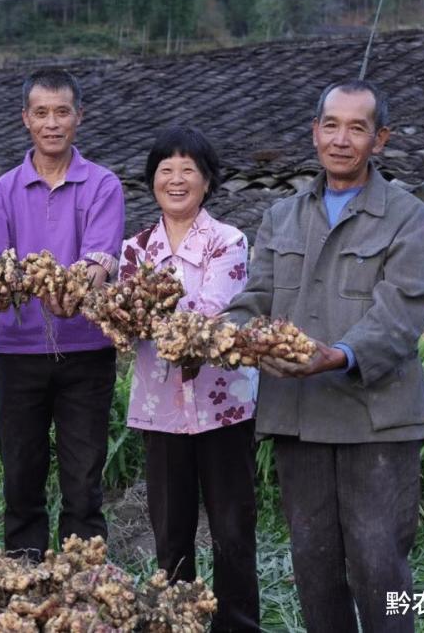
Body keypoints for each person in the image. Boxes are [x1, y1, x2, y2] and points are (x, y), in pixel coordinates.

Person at [224, 79, 424, 633]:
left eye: (357, 127)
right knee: (314, 566)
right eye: (331, 125)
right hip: (299, 419)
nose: (341, 139)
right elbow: (255, 299)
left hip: (377, 423)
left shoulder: (408, 217)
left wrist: (338, 354)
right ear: (315, 131)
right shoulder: (282, 216)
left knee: (380, 566)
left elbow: (401, 314)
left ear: (380, 139)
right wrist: (225, 335)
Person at [0, 68, 125, 560]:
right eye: (41, 113)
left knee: (83, 481)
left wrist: (74, 287)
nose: (51, 123)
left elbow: (101, 262)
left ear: (79, 117)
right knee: (21, 478)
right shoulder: (3, 190)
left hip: (88, 354)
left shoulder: (103, 185)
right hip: (17, 353)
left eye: (62, 112)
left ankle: (85, 588)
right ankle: (24, 586)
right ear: (25, 119)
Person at [120, 126, 260, 632]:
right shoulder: (134, 250)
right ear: (152, 180)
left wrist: (143, 311)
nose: (176, 180)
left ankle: (238, 625)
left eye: (188, 171)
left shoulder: (229, 242)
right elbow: (125, 320)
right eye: (165, 171)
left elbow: (210, 313)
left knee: (232, 528)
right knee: (171, 532)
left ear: (207, 181)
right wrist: (131, 314)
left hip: (223, 405)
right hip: (161, 408)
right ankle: (178, 624)